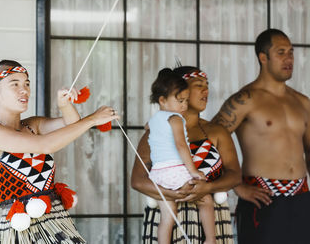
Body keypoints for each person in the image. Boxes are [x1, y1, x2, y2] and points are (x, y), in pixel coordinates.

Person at [0, 60, 119, 243]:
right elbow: (45, 145)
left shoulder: (32, 124)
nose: (24, 90)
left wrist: (64, 105)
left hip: (56, 222)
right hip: (24, 230)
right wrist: (92, 119)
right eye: (15, 84)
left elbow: (71, 124)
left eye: (27, 84)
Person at [212, 29, 310, 244]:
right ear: (263, 57)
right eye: (281, 52)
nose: (289, 59)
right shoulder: (245, 100)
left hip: (302, 198)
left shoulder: (303, 102)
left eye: (291, 52)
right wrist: (237, 186)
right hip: (261, 199)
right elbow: (208, 143)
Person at [131, 66, 241, 244]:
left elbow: (235, 175)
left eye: (207, 85)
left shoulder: (217, 132)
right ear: (178, 90)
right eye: (198, 85)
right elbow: (137, 181)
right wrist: (172, 194)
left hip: (211, 222)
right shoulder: (156, 133)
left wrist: (208, 188)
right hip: (168, 220)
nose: (206, 90)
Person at [147, 68, 215, 244]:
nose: (184, 106)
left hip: (158, 175)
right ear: (162, 100)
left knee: (168, 217)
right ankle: (210, 239)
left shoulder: (153, 120)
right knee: (206, 199)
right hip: (174, 171)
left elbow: (147, 128)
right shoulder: (176, 119)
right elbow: (181, 145)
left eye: (185, 101)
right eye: (180, 101)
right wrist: (193, 171)